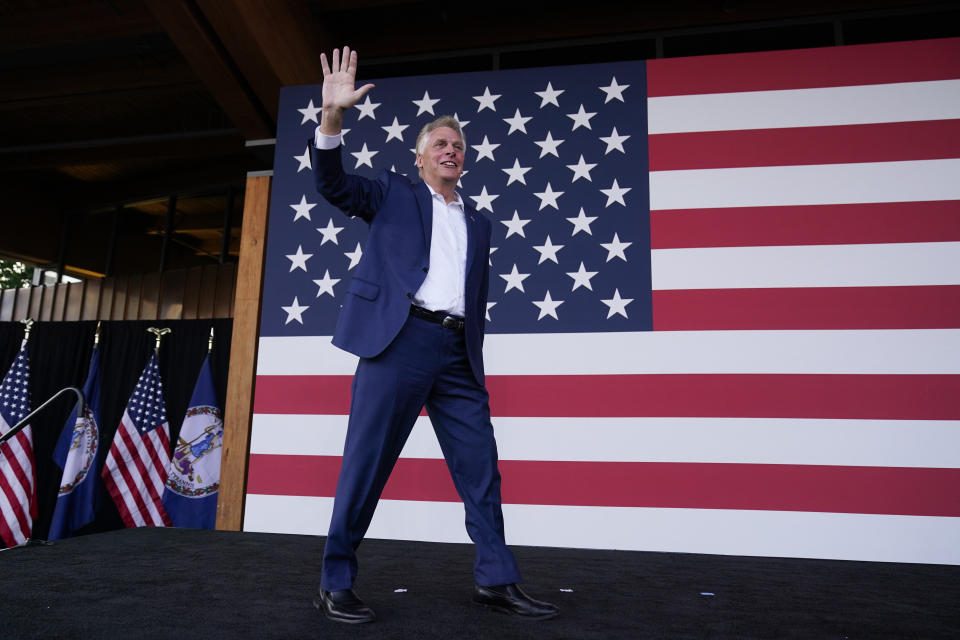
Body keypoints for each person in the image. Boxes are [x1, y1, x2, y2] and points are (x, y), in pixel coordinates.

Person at [309, 46, 559, 624]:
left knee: (481, 469)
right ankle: (334, 580)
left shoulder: (480, 222)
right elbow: (332, 183)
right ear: (419, 159)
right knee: (367, 463)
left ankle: (497, 580)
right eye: (440, 145)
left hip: (455, 354)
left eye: (458, 146)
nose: (451, 151)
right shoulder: (392, 193)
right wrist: (332, 118)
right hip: (398, 344)